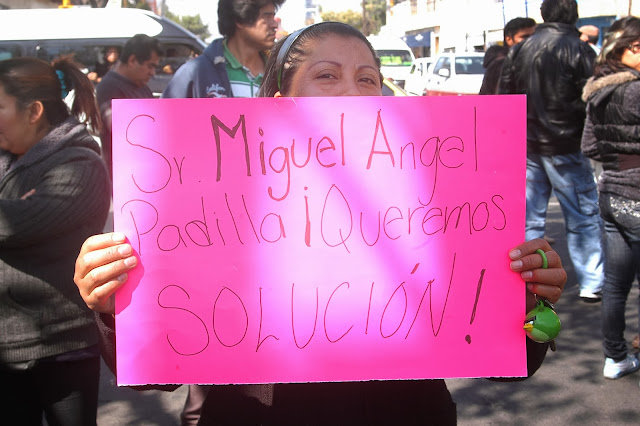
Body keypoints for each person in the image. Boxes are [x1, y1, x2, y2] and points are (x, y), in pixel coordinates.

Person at [74, 22, 567, 425]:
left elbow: (511, 363)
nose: (353, 92)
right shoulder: (203, 201)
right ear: (274, 99)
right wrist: (113, 304)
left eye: (368, 78)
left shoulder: (441, 199)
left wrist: (530, 306)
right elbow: (154, 375)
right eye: (327, 75)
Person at [0, 57, 111, 425]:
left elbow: (17, 225)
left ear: (33, 111)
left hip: (61, 344)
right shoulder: (6, 157)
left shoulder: (80, 163)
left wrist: (16, 213)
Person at [499, 0, 604, 302]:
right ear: (574, 15)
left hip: (528, 144)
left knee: (530, 217)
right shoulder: (580, 49)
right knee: (582, 216)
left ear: (543, 15)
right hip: (566, 144)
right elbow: (592, 99)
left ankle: (528, 278)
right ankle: (590, 282)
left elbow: (505, 95)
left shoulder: (521, 48)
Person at [581, 16, 640, 380]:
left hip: (611, 196)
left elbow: (588, 145)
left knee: (616, 286)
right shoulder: (636, 90)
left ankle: (614, 358)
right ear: (631, 48)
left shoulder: (597, 90)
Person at [162, 0, 286, 99]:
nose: (274, 25)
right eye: (267, 17)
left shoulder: (281, 72)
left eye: (273, 16)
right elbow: (166, 122)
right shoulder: (195, 72)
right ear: (240, 20)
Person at [96, 34, 161, 176]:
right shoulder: (108, 88)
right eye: (150, 66)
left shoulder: (142, 88)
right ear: (132, 60)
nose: (153, 73)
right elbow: (126, 134)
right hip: (125, 180)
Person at [479, 17, 536, 95]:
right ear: (509, 39)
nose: (530, 40)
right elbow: (500, 99)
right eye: (525, 37)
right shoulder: (502, 63)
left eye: (533, 36)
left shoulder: (531, 60)